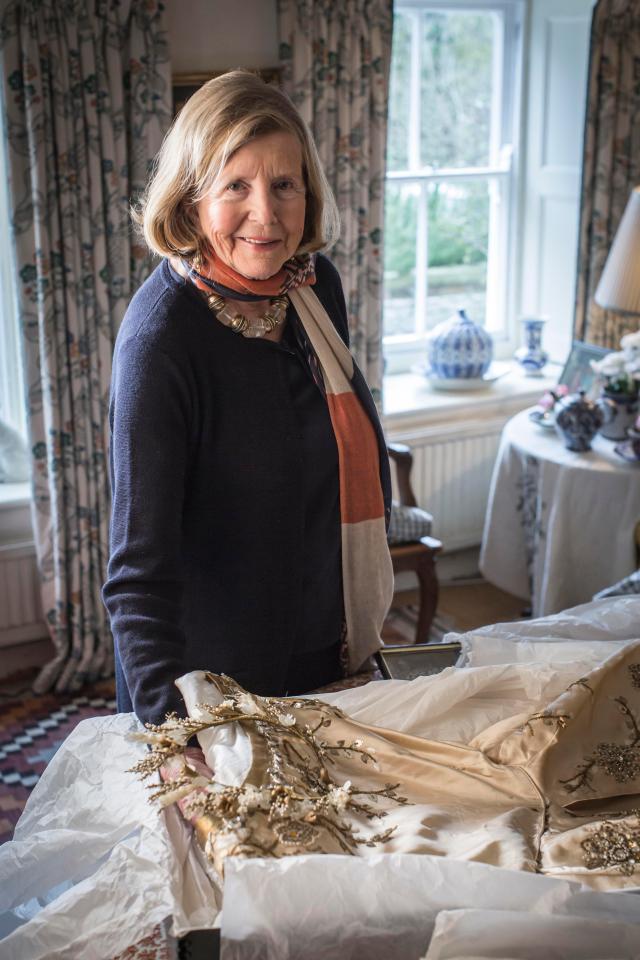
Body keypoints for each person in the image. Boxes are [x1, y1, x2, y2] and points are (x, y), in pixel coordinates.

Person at [103, 70, 394, 727]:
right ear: (191, 199)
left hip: (327, 653)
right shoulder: (162, 343)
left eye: (284, 185)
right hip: (211, 691)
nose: (266, 214)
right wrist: (176, 743)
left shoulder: (316, 290)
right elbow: (136, 581)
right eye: (236, 185)